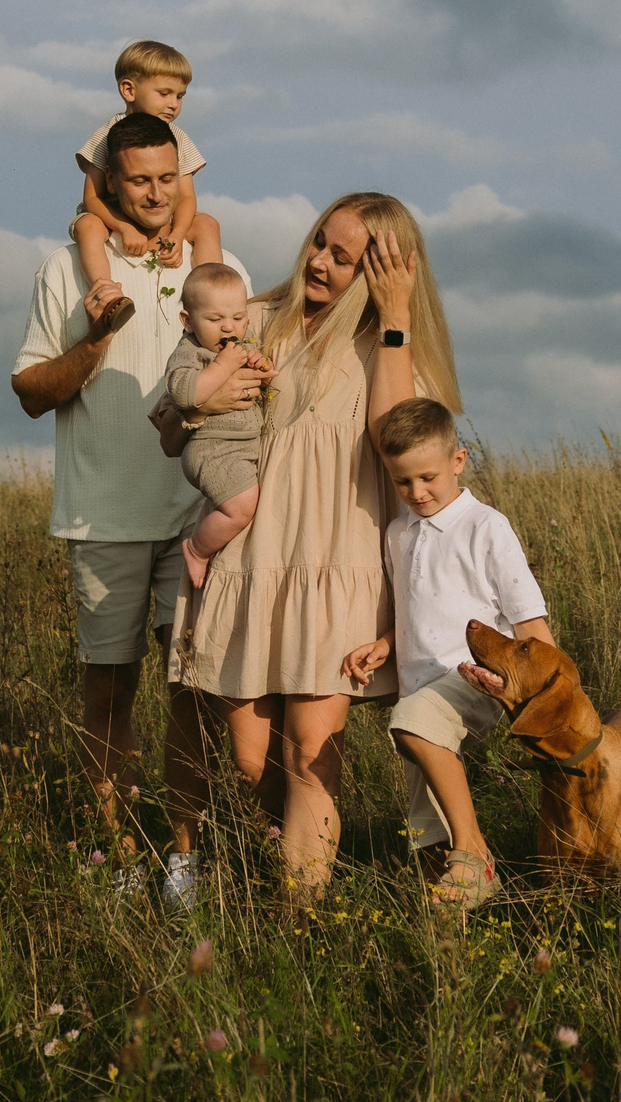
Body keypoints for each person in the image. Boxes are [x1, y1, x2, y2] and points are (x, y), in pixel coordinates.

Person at [170, 191, 460, 898]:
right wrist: (201, 402)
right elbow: (171, 427)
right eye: (319, 243)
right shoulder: (255, 321)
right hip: (249, 559)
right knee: (249, 757)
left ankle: (299, 922)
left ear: (381, 272)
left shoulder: (393, 352)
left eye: (344, 255)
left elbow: (395, 439)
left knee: (309, 752)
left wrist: (393, 320)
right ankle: (268, 866)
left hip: (339, 565)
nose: (320, 261)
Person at [12, 110, 258, 908]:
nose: (154, 194)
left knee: (191, 693)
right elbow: (28, 392)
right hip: (104, 519)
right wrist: (95, 342)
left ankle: (184, 856)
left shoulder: (221, 272)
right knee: (109, 696)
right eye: (138, 180)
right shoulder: (68, 267)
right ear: (110, 182)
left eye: (166, 177)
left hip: (198, 518)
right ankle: (116, 851)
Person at [339, 397, 552, 909]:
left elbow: (530, 624)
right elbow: (415, 607)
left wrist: (534, 694)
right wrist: (384, 645)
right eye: (401, 482)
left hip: (475, 678)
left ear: (458, 460)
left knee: (410, 723)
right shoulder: (398, 533)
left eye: (428, 477)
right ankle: (452, 909)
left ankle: (475, 853)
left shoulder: (486, 527)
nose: (416, 492)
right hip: (418, 685)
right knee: (425, 821)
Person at [71, 40, 224, 317]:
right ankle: (106, 294)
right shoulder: (106, 135)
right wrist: (123, 228)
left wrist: (177, 236)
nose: (173, 105)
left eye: (180, 96)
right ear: (128, 90)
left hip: (164, 223)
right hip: (111, 218)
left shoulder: (177, 137)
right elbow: (92, 197)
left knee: (206, 224)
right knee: (88, 227)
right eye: (164, 93)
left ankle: (213, 296)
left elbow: (187, 197)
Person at [162, 262, 271, 589]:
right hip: (213, 450)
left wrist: (260, 367)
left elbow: (258, 379)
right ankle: (196, 549)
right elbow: (184, 394)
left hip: (239, 448)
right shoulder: (190, 352)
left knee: (235, 505)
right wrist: (223, 366)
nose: (228, 328)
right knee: (241, 508)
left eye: (238, 318)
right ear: (188, 321)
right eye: (214, 320)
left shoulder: (239, 345)